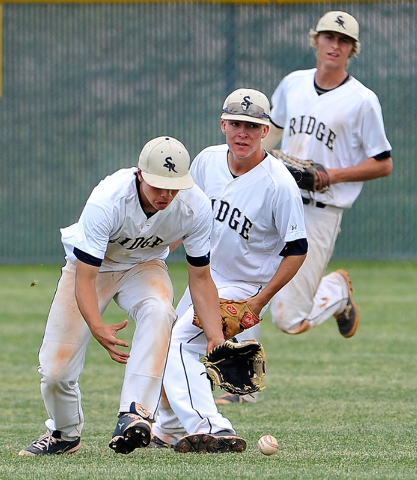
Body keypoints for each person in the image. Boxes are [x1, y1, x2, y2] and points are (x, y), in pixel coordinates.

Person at [19, 136, 225, 456]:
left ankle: (135, 413)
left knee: (160, 310)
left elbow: (200, 277)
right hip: (92, 269)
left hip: (144, 266)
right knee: (55, 372)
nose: (166, 194)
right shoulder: (109, 199)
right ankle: (64, 434)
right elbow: (86, 277)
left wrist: (216, 337)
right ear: (141, 174)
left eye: (174, 186)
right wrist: (97, 327)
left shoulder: (194, 206)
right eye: (158, 185)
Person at [151, 88, 308, 452]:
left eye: (252, 126)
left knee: (180, 342)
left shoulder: (278, 185)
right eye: (237, 123)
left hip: (244, 288)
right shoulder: (206, 162)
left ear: (265, 130)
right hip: (204, 276)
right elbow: (185, 218)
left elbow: (297, 250)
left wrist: (258, 301)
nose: (243, 133)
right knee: (168, 341)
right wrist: (156, 254)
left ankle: (214, 427)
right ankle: (170, 428)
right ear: (223, 125)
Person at [261, 12, 393, 338]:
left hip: (321, 212)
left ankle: (336, 291)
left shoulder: (363, 101)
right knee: (245, 285)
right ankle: (240, 388)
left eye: (343, 40)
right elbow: (272, 132)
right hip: (280, 198)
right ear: (315, 40)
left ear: (352, 49)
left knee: (288, 320)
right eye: (329, 37)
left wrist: (332, 175)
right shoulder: (293, 83)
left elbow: (383, 163)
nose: (335, 45)